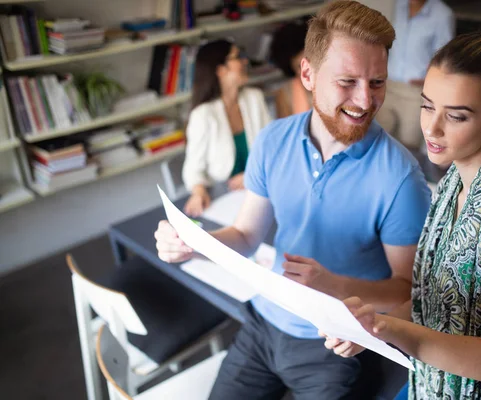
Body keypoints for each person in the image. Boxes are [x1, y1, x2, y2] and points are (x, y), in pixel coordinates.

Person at [154, 1, 431, 398]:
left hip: (334, 344)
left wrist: (339, 290)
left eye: (377, 83)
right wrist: (193, 244)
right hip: (264, 322)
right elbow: (248, 235)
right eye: (348, 81)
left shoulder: (400, 177)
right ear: (308, 74)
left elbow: (405, 289)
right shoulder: (271, 140)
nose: (366, 101)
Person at [324, 32, 481, 399]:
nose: (432, 128)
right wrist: (371, 326)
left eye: (455, 116)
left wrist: (390, 330)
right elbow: (430, 302)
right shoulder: (452, 184)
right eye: (427, 106)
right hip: (433, 383)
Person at [182, 39, 272, 217]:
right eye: (238, 57)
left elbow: (273, 147)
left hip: (264, 190)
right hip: (226, 198)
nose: (245, 61)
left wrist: (252, 176)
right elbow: (193, 169)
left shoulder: (254, 98)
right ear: (221, 70)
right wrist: (198, 192)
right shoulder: (203, 115)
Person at [377, 0, 454, 150]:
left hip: (415, 92)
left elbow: (445, 58)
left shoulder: (443, 14)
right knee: (379, 140)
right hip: (388, 86)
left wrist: (430, 81)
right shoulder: (397, 5)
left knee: (408, 146)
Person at [269, 20, 312, 118]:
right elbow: (286, 131)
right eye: (299, 67)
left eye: (309, 62)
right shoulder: (285, 95)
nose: (307, 72)